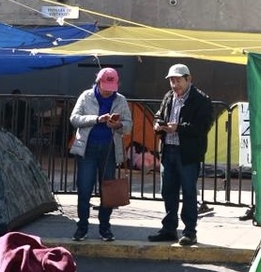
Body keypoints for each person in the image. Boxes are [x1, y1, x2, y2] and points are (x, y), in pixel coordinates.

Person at [148, 63, 214, 246]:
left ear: (188, 79)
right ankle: (169, 229)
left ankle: (189, 231)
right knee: (168, 191)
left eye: (177, 80)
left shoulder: (201, 100)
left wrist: (178, 128)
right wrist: (158, 125)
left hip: (187, 153)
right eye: (171, 81)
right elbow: (158, 115)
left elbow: (202, 127)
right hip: (168, 149)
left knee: (189, 192)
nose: (174, 85)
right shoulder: (169, 96)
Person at [68, 68, 132, 242]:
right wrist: (96, 119)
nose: (108, 90)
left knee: (108, 190)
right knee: (84, 188)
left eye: (112, 86)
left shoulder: (121, 100)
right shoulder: (86, 96)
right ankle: (82, 227)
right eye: (105, 86)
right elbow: (74, 119)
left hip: (109, 149)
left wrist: (117, 125)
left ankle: (105, 228)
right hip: (87, 148)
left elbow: (128, 125)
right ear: (98, 82)